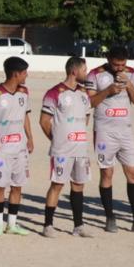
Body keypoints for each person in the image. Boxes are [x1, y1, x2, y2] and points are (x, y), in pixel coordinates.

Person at [85, 47, 134, 233]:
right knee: (107, 174)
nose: (120, 68)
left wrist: (129, 85)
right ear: (108, 59)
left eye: (123, 64)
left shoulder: (131, 74)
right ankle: (110, 218)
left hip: (126, 132)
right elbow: (88, 102)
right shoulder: (95, 75)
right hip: (104, 132)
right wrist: (107, 91)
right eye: (116, 64)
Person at [0, 56, 34, 236]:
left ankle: (12, 224)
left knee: (17, 186)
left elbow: (25, 115)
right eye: (25, 72)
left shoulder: (24, 92)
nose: (27, 75)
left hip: (20, 148)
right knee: (0, 186)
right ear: (15, 74)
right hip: (1, 149)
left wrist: (30, 138)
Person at [40, 57, 93, 237]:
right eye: (84, 70)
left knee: (79, 186)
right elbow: (44, 121)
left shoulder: (83, 94)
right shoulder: (55, 93)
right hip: (62, 150)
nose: (86, 73)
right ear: (74, 71)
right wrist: (56, 139)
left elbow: (86, 117)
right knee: (57, 185)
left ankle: (78, 226)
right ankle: (48, 225)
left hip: (81, 149)